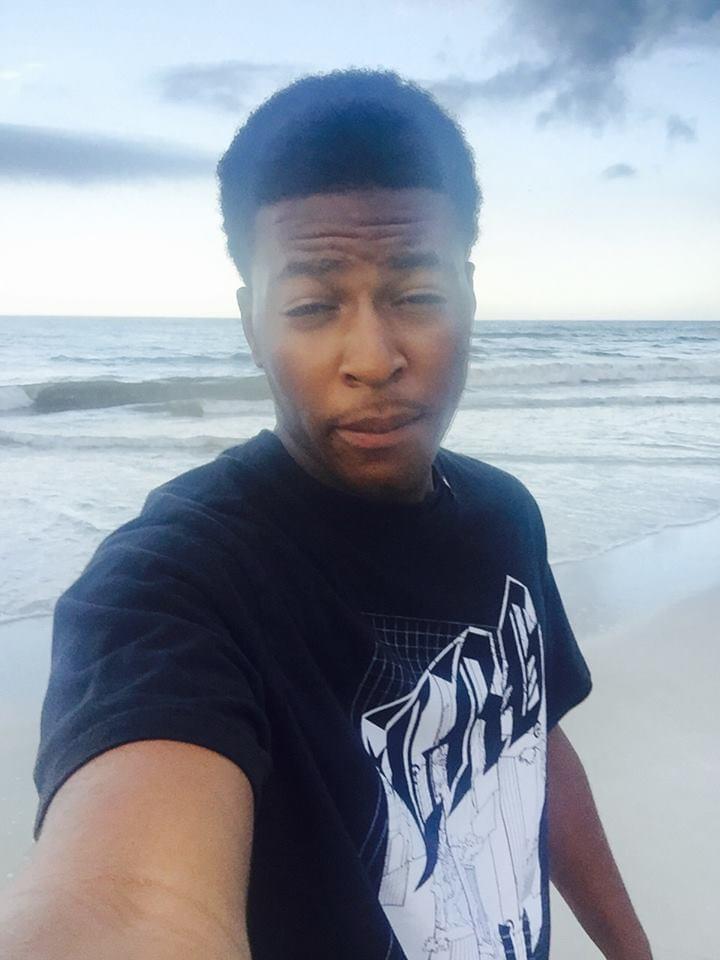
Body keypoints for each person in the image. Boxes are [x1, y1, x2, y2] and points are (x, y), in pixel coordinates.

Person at [0, 70, 652, 960]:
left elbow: (529, 744)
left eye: (416, 295)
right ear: (252, 324)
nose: (373, 358)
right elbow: (127, 901)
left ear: (468, 296)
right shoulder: (178, 582)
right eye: (312, 306)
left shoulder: (504, 516)